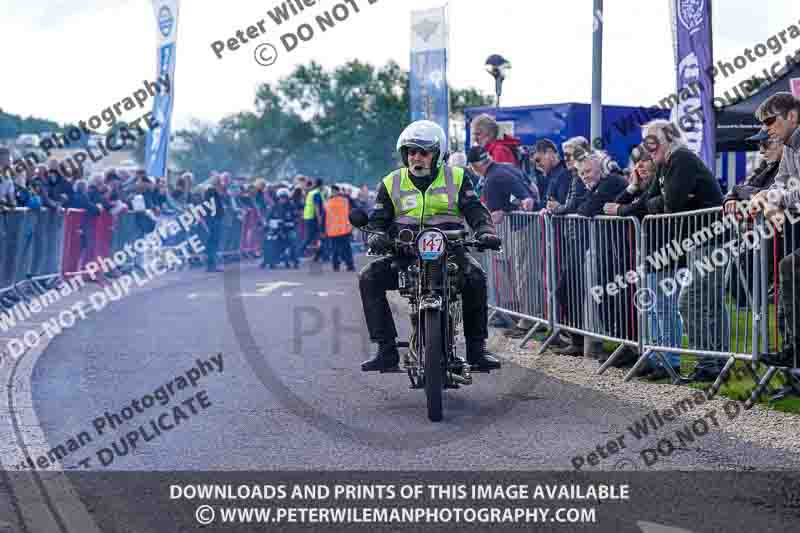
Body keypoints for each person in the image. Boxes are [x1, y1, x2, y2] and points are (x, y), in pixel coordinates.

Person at [359, 120, 502, 372]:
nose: (417, 157)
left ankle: (477, 350)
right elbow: (378, 220)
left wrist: (486, 231)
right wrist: (376, 235)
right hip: (405, 254)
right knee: (369, 277)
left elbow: (475, 211)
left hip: (450, 252)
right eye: (411, 152)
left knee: (476, 277)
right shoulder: (391, 182)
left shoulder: (457, 177)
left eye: (423, 152)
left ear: (438, 154)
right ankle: (385, 349)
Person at [642, 119, 726, 382]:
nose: (649, 147)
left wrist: (670, 201)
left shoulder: (682, 159)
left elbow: (672, 204)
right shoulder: (666, 165)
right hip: (696, 240)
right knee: (706, 302)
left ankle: (711, 363)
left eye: (653, 140)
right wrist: (665, 201)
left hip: (710, 239)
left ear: (669, 137)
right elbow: (651, 201)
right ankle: (714, 363)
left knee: (691, 301)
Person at [749, 93, 800, 367]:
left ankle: (794, 351)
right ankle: (793, 350)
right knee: (787, 269)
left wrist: (769, 200)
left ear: (791, 116)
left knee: (790, 267)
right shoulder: (789, 147)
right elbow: (781, 183)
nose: (766, 127)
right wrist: (766, 196)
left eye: (770, 120)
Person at [262, 187, 299, 269]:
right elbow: (268, 217)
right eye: (281, 197)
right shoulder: (274, 206)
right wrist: (265, 223)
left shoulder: (291, 206)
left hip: (288, 229)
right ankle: (266, 260)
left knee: (293, 239)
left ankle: (295, 261)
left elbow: (296, 218)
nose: (283, 199)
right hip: (276, 229)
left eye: (284, 197)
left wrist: (291, 223)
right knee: (266, 240)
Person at [324, 184, 355, 272]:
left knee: (337, 249)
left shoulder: (328, 202)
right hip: (342, 229)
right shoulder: (345, 200)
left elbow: (324, 216)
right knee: (343, 249)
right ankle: (348, 265)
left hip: (336, 230)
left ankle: (338, 265)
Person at [534, 139, 571, 210]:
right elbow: (545, 203)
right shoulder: (551, 176)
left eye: (538, 160)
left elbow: (562, 203)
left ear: (549, 153)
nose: (537, 165)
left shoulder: (563, 174)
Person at [204, 175, 226, 273]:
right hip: (213, 219)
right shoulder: (211, 190)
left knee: (214, 241)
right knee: (212, 241)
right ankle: (211, 265)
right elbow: (211, 205)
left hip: (215, 218)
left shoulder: (213, 190)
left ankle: (212, 264)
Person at [298, 177, 324, 262]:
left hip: (309, 217)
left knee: (315, 237)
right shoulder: (316, 193)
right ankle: (298, 253)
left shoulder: (312, 192)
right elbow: (316, 207)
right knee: (312, 237)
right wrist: (320, 218)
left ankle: (317, 255)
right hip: (313, 218)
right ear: (320, 185)